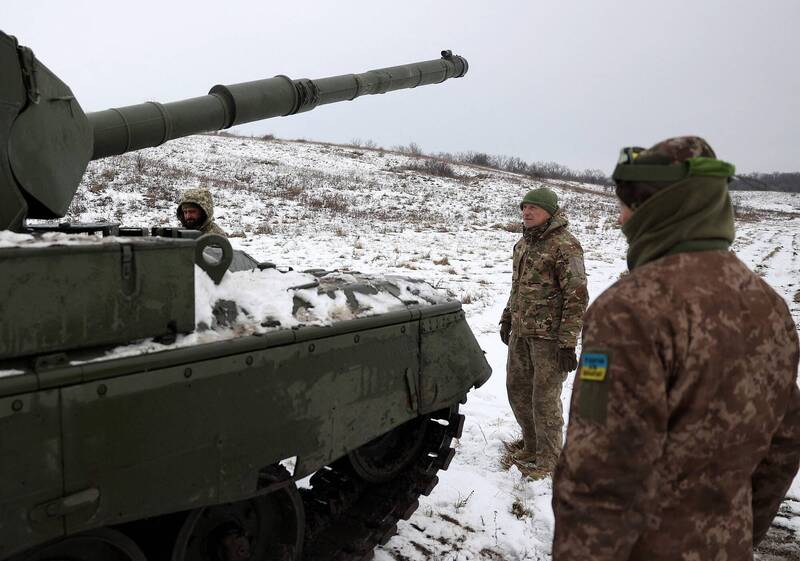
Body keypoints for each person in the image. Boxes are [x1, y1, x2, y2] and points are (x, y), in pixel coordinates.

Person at [552, 136, 800, 561]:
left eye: (628, 204)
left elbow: (601, 475)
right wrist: (731, 533)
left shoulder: (630, 310)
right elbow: (784, 444)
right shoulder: (769, 305)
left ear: (661, 209)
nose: (621, 218)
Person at [500, 187, 588, 473]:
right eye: (524, 208)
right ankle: (531, 445)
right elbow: (517, 287)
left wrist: (567, 343)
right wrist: (507, 317)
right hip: (521, 332)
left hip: (549, 338)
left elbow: (577, 296)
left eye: (533, 208)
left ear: (549, 212)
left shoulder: (565, 246)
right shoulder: (522, 245)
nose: (526, 213)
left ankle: (549, 460)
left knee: (544, 399)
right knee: (518, 390)